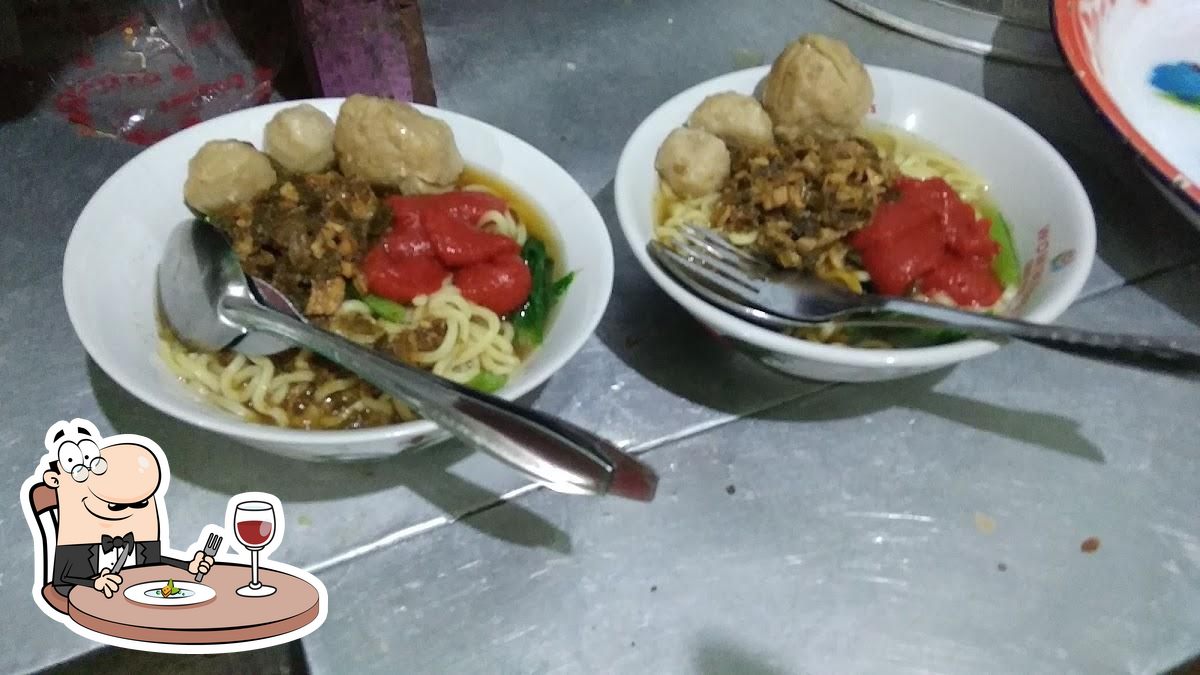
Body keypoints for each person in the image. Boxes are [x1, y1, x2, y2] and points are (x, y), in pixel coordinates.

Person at [40, 420, 214, 599]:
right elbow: (62, 582)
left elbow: (154, 563)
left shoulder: (138, 521)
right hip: (86, 602)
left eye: (139, 503)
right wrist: (94, 583)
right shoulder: (78, 531)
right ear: (55, 479)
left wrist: (187, 566)